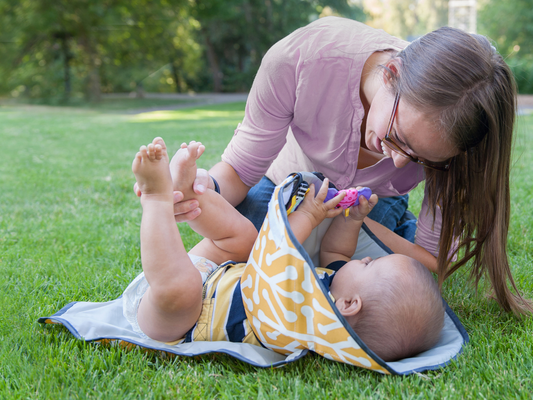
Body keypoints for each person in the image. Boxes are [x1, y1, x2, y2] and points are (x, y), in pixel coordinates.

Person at [163, 16, 531, 315]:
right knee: (254, 247)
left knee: (399, 284)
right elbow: (239, 174)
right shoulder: (299, 60)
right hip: (283, 186)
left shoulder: (460, 136)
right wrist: (199, 188)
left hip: (371, 206)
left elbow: (430, 260)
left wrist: (353, 219)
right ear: (391, 73)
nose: (399, 160)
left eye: (421, 159)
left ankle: (390, 223)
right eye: (397, 135)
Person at [125, 137, 444, 362]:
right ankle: (187, 192)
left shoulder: (315, 324)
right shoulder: (336, 284)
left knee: (181, 289)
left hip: (180, 320)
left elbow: (274, 257)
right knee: (243, 240)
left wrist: (307, 215)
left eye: (370, 265)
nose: (366, 258)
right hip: (215, 277)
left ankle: (156, 200)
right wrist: (354, 219)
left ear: (348, 304)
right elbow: (337, 253)